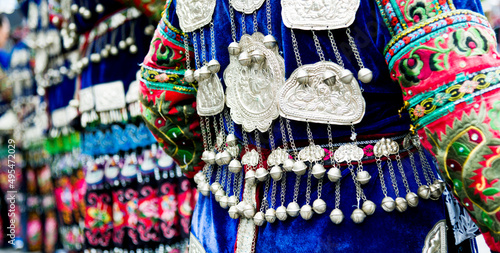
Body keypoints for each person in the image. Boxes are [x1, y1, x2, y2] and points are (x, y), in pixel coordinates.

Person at [139, 0, 500, 252]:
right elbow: (475, 131)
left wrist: (238, 165)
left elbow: (158, 99)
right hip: (369, 230)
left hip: (224, 228)